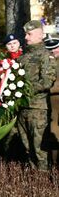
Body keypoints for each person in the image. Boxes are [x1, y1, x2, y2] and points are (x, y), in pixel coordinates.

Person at [16, 20, 56, 170]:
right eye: (25, 34)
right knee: (27, 149)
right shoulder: (23, 57)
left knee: (40, 150)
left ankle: (44, 187)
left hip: (38, 109)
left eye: (29, 34)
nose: (26, 37)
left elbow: (46, 82)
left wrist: (25, 90)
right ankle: (33, 186)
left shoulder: (46, 56)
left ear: (40, 35)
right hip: (22, 108)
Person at [44, 33, 59, 169]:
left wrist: (46, 87)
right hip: (45, 106)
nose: (53, 51)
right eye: (50, 48)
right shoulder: (46, 62)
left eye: (56, 47)